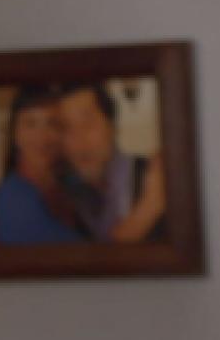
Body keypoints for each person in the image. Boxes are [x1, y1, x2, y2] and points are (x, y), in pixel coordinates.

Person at [56, 82, 166, 243]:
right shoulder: (66, 195)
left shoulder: (155, 180)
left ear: (112, 125)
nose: (79, 140)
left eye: (88, 124)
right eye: (67, 128)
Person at [0, 85, 84, 245]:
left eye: (52, 123)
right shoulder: (14, 200)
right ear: (15, 134)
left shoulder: (71, 185)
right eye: (30, 124)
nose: (42, 136)